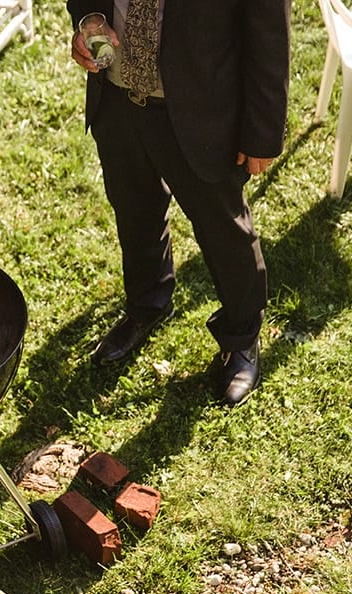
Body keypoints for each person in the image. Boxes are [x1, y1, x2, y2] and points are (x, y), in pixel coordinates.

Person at [67, 0, 291, 406]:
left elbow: (268, 30)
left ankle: (241, 337)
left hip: (203, 108)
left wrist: (262, 131)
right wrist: (87, 18)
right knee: (134, 209)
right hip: (116, 96)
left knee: (222, 226)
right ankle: (147, 304)